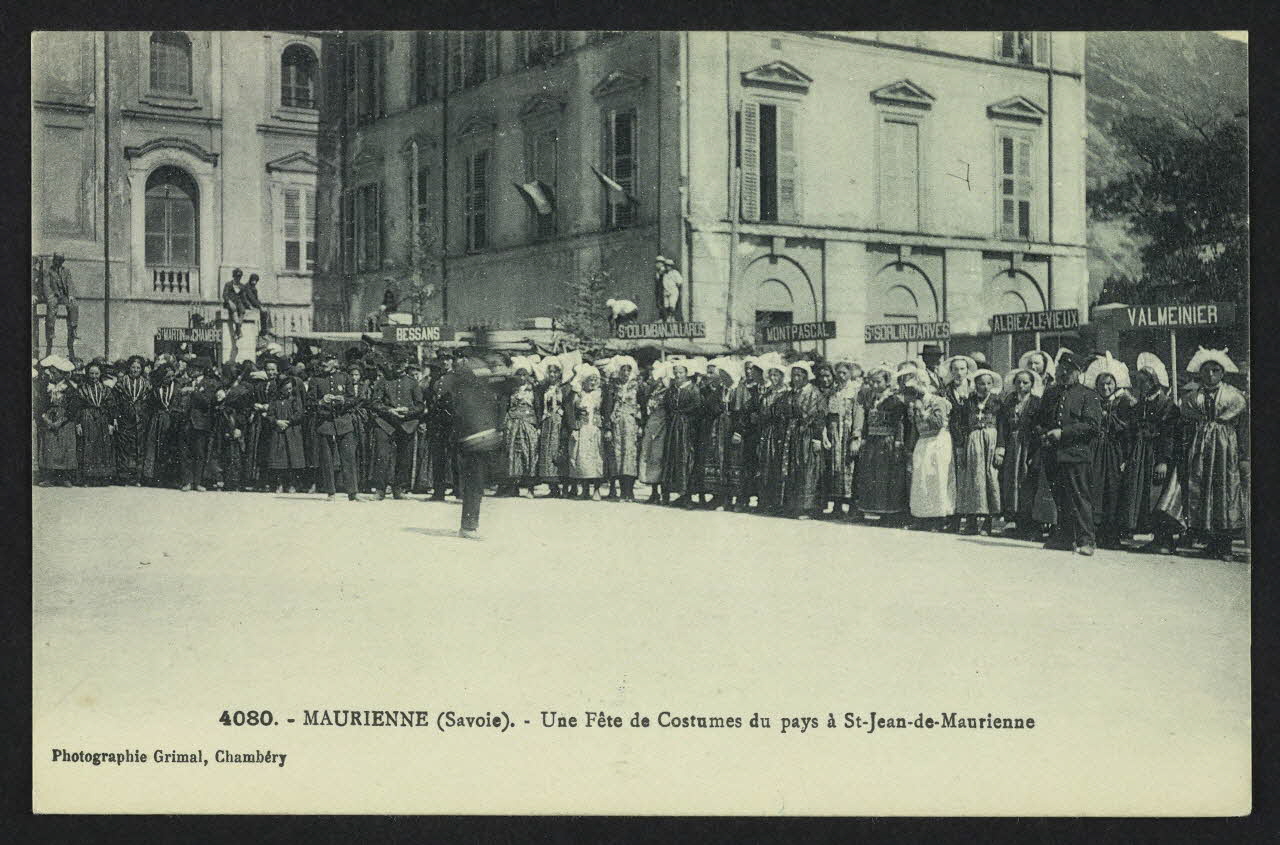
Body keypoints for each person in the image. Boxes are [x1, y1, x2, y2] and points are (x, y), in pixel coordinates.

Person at [1177, 348, 1247, 561]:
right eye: (1206, 371)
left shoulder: (1234, 397)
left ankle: (1224, 545)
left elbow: (1243, 427)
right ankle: (1209, 540)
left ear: (1222, 373)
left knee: (1224, 490)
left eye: (1215, 370)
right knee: (1203, 489)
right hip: (1201, 447)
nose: (1210, 375)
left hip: (1225, 448)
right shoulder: (1192, 398)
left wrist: (1243, 454)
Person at [1033, 350, 1102, 555]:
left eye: (1069, 370)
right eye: (1061, 369)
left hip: (1076, 455)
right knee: (1060, 497)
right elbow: (1039, 421)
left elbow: (1092, 426)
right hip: (1053, 455)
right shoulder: (1051, 393)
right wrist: (1043, 433)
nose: (1064, 373)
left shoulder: (1088, 395)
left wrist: (1062, 433)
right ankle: (1064, 537)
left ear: (1078, 372)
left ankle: (1087, 540)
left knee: (1080, 498)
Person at [1120, 353, 1182, 554]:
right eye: (1139, 381)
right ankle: (1157, 538)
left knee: (1159, 495)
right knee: (1146, 496)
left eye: (1146, 381)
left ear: (1154, 382)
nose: (1142, 385)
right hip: (1141, 456)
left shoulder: (1167, 406)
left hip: (1157, 456)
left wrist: (1163, 460)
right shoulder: (1140, 405)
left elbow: (1170, 435)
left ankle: (1165, 540)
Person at [450, 353, 507, 539]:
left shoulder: (482, 389)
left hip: (480, 440)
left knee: (476, 484)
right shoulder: (468, 390)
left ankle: (469, 524)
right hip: (473, 441)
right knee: (474, 484)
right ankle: (468, 526)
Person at [1084, 353, 1133, 549]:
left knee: (1113, 489)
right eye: (1102, 384)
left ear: (1115, 384)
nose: (1105, 388)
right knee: (1094, 487)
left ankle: (1111, 533)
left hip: (1114, 450)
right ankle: (1094, 531)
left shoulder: (1124, 403)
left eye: (1109, 384)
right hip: (1095, 449)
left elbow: (1127, 430)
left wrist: (1125, 455)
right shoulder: (1092, 401)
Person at [900, 367, 956, 530]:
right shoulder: (915, 404)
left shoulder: (939, 402)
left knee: (937, 478)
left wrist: (923, 413)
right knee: (921, 478)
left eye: (918, 387)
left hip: (938, 441)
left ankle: (938, 518)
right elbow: (914, 428)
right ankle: (921, 516)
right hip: (923, 441)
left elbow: (938, 423)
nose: (916, 391)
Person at [856, 364, 910, 523]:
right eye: (872, 382)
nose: (874, 385)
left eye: (878, 382)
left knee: (887, 477)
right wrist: (863, 438)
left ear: (887, 383)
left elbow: (900, 423)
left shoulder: (895, 401)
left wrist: (899, 442)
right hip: (873, 442)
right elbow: (866, 421)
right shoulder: (871, 399)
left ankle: (890, 513)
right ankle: (874, 510)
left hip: (887, 442)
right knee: (872, 475)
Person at [995, 368, 1043, 538]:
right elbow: (1002, 425)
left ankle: (1027, 522)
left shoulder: (1037, 403)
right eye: (1018, 382)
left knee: (1026, 480)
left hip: (1028, 445)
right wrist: (1000, 446)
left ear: (1031, 385)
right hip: (1012, 445)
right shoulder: (1008, 402)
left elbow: (1039, 428)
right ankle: (1011, 519)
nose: (1021, 385)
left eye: (1025, 382)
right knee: (1010, 480)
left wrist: (1035, 452)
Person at [955, 369, 1003, 535]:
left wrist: (1000, 448)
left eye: (988, 383)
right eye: (981, 383)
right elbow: (962, 425)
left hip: (991, 440)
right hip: (973, 440)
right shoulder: (968, 402)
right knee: (973, 479)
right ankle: (971, 521)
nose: (985, 387)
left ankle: (987, 522)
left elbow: (1002, 426)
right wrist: (961, 446)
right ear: (975, 385)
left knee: (990, 479)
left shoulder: (997, 402)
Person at [370, 356, 424, 499]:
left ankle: (399, 488)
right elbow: (375, 402)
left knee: (404, 457)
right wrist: (389, 410)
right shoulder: (383, 382)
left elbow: (420, 405)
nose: (398, 366)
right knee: (381, 455)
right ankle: (380, 489)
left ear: (406, 364)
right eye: (395, 363)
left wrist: (408, 411)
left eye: (401, 363)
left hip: (406, 424)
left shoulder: (412, 383)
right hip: (385, 423)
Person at [311, 353, 362, 502]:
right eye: (323, 360)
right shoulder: (316, 380)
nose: (324, 363)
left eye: (328, 360)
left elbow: (353, 399)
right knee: (327, 458)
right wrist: (321, 402)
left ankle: (353, 492)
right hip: (325, 424)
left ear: (335, 362)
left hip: (344, 422)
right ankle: (330, 492)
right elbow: (309, 403)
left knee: (349, 457)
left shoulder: (344, 377)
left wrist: (343, 400)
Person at [781, 361, 826, 520]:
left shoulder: (814, 393)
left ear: (806, 377)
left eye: (799, 375)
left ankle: (809, 507)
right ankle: (794, 505)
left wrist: (817, 438)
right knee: (794, 468)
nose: (796, 378)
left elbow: (819, 417)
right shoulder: (792, 392)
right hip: (794, 434)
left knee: (808, 468)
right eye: (794, 375)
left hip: (808, 434)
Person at [940, 354, 975, 532]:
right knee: (953, 477)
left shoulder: (974, 389)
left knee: (970, 477)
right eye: (955, 369)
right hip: (952, 437)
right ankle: (953, 518)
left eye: (962, 369)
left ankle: (971, 518)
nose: (959, 373)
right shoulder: (945, 391)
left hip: (972, 436)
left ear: (967, 371)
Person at [661, 358, 703, 507]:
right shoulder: (672, 390)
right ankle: (668, 492)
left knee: (686, 458)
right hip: (673, 428)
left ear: (687, 373)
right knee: (670, 457)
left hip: (687, 428)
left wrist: (685, 420)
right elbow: (666, 407)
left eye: (681, 372)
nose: (678, 375)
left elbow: (697, 409)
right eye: (676, 372)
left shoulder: (693, 389)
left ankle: (687, 496)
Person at [724, 358, 763, 512]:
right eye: (747, 368)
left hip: (760, 431)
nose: (749, 372)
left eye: (753, 369)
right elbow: (737, 412)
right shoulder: (741, 388)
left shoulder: (762, 388)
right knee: (742, 465)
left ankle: (761, 500)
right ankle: (741, 498)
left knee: (758, 466)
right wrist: (738, 430)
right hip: (745, 431)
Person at [499, 357, 541, 498]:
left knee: (529, 452)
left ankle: (530, 487)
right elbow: (504, 407)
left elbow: (538, 408)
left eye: (524, 374)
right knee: (513, 453)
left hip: (529, 424)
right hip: (513, 424)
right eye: (519, 374)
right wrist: (502, 424)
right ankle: (513, 486)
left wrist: (538, 425)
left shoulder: (533, 390)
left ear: (528, 376)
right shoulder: (510, 390)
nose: (522, 377)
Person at [603, 355, 642, 502]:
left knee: (630, 457)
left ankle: (629, 491)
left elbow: (642, 407)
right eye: (623, 370)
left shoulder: (638, 386)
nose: (625, 373)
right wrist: (607, 427)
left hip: (631, 424)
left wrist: (641, 425)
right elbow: (607, 407)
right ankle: (620, 491)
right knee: (617, 456)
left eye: (628, 370)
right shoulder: (612, 387)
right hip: (617, 423)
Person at [565, 363, 607, 499]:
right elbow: (569, 410)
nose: (593, 382)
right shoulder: (577, 394)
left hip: (595, 429)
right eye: (590, 379)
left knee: (596, 459)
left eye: (595, 380)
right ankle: (584, 490)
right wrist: (573, 427)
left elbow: (607, 410)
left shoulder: (600, 394)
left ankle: (596, 490)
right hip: (582, 429)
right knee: (582, 459)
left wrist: (606, 427)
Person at [755, 353, 790, 514]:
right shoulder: (767, 392)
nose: (774, 377)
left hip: (781, 432)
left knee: (778, 465)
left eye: (777, 374)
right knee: (765, 464)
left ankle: (779, 503)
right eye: (772, 374)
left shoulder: (787, 393)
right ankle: (764, 501)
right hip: (767, 432)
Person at [178, 357, 219, 492]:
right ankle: (187, 482)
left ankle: (198, 482)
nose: (190, 371)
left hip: (201, 423)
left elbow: (207, 402)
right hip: (186, 422)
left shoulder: (209, 383)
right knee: (185, 453)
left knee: (199, 453)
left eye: (192, 369)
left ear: (199, 370)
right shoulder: (185, 382)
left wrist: (193, 391)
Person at [36, 356, 78, 486]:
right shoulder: (46, 386)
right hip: (49, 418)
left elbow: (74, 406)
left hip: (65, 420)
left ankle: (65, 477)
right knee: (49, 446)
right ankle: (49, 478)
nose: (52, 375)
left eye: (54, 373)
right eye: (51, 372)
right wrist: (45, 418)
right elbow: (40, 404)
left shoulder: (70, 387)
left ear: (62, 374)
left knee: (65, 446)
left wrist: (61, 421)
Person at [74, 360, 117, 486]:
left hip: (102, 419)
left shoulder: (106, 389)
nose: (93, 376)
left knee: (102, 446)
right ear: (87, 374)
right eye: (91, 373)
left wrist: (110, 422)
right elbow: (77, 407)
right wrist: (78, 424)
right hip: (87, 418)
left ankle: (101, 477)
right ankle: (87, 477)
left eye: (96, 374)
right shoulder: (82, 389)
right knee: (88, 446)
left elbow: (111, 406)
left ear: (100, 374)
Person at [113, 355, 152, 486]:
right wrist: (116, 417)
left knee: (139, 447)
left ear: (141, 369)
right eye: (133, 367)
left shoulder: (146, 384)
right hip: (124, 418)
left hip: (140, 420)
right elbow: (115, 402)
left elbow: (149, 403)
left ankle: (137, 477)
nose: (135, 370)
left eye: (138, 367)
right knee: (124, 447)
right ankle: (123, 477)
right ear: (129, 368)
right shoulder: (121, 383)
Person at [265, 372, 307, 492]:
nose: (288, 391)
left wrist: (288, 422)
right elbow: (269, 415)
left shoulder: (295, 400)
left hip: (292, 432)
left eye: (290, 388)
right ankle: (279, 484)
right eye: (286, 388)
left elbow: (299, 414)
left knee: (292, 460)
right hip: (279, 434)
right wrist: (277, 422)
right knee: (279, 460)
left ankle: (292, 484)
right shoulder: (275, 401)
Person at [532, 356, 568, 498]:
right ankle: (553, 487)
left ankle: (565, 486)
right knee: (547, 453)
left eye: (555, 372)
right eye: (550, 372)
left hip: (560, 422)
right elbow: (540, 406)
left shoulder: (564, 387)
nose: (553, 375)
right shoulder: (544, 388)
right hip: (548, 422)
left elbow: (567, 406)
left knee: (560, 451)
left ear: (560, 373)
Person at [638, 361, 671, 504]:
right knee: (650, 457)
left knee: (660, 458)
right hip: (651, 425)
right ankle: (654, 491)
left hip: (663, 427)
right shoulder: (651, 390)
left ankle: (665, 493)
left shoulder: (669, 391)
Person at [37, 254, 80, 360]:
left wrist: (70, 295)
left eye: (60, 260)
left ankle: (73, 327)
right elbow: (46, 285)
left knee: (74, 304)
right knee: (51, 307)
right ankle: (50, 331)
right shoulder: (48, 271)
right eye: (56, 260)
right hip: (53, 295)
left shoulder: (66, 271)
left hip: (63, 296)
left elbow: (70, 284)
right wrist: (50, 296)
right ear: (54, 260)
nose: (58, 262)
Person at [221, 268, 249, 341]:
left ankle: (237, 330)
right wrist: (230, 302)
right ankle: (239, 331)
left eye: (239, 277)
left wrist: (249, 306)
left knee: (242, 310)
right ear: (234, 276)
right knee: (234, 310)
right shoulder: (228, 284)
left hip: (238, 302)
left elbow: (244, 297)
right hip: (229, 302)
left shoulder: (242, 286)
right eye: (236, 276)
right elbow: (224, 295)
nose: (238, 278)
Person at [656, 256, 684, 321]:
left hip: (673, 291)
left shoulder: (675, 273)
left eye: (669, 265)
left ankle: (672, 317)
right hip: (666, 291)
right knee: (666, 306)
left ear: (671, 266)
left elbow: (679, 282)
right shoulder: (664, 273)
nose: (667, 267)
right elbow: (658, 275)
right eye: (666, 265)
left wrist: (674, 287)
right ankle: (667, 318)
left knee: (672, 305)